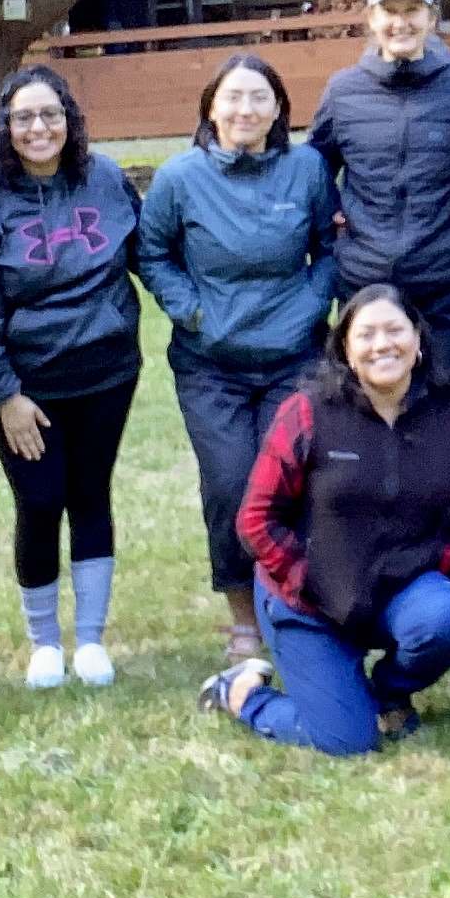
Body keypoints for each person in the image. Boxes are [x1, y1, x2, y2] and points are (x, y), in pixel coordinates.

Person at [206, 285, 450, 756]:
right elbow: (256, 519)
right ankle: (243, 695)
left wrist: (440, 561)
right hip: (308, 601)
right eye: (367, 335)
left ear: (417, 340)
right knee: (347, 742)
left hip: (402, 592)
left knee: (447, 618)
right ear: (346, 351)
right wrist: (308, 580)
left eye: (395, 330)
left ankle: (387, 690)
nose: (383, 345)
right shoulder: (307, 413)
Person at [138, 54, 337, 662]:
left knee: (295, 482)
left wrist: (307, 311)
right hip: (211, 364)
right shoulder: (178, 178)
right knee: (229, 484)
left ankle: (298, 606)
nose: (245, 110)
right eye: (233, 98)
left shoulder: (307, 169)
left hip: (293, 356)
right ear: (210, 108)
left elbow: (330, 249)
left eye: (259, 98)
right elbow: (153, 255)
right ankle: (243, 617)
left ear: (279, 109)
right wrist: (194, 313)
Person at [0, 66, 142, 690]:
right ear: (5, 127)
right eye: (24, 118)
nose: (39, 128)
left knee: (91, 495)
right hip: (24, 384)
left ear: (70, 122)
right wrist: (5, 395)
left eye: (50, 115)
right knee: (38, 501)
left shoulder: (106, 180)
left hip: (105, 371)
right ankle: (44, 645)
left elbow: (149, 250)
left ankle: (90, 641)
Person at [307, 0, 450, 407]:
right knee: (365, 421)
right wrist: (334, 223)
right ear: (371, 18)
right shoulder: (343, 91)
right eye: (390, 11)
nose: (401, 22)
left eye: (413, 10)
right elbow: (313, 169)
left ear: (430, 18)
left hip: (447, 287)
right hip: (365, 286)